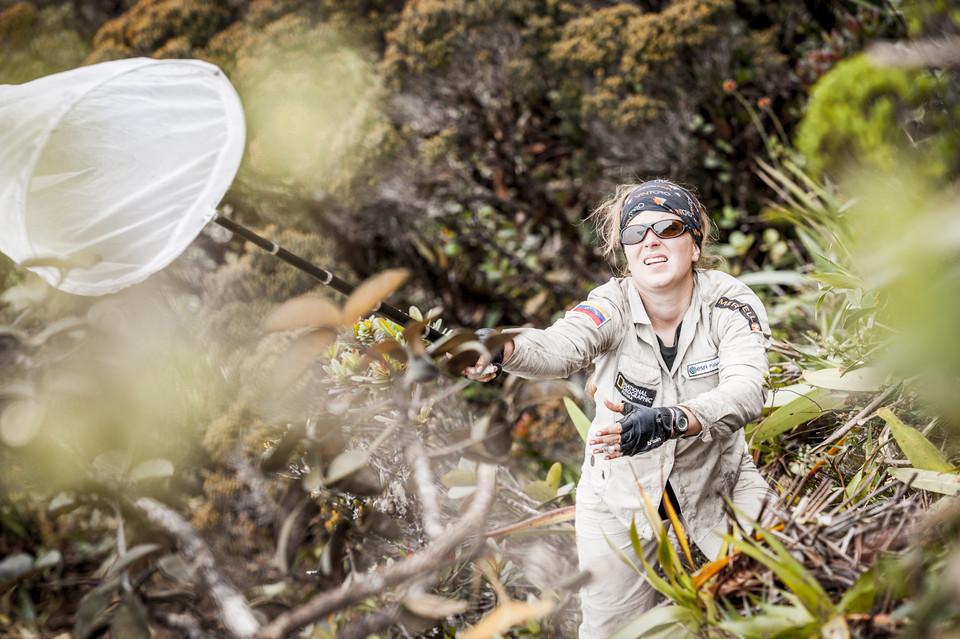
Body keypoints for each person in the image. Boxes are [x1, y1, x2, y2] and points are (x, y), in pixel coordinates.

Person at [465, 179, 775, 638]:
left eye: (667, 227)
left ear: (695, 243)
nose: (650, 240)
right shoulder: (611, 304)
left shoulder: (731, 303)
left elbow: (748, 390)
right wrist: (501, 348)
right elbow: (558, 345)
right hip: (619, 499)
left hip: (720, 483)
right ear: (626, 252)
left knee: (784, 585)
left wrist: (671, 420)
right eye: (636, 233)